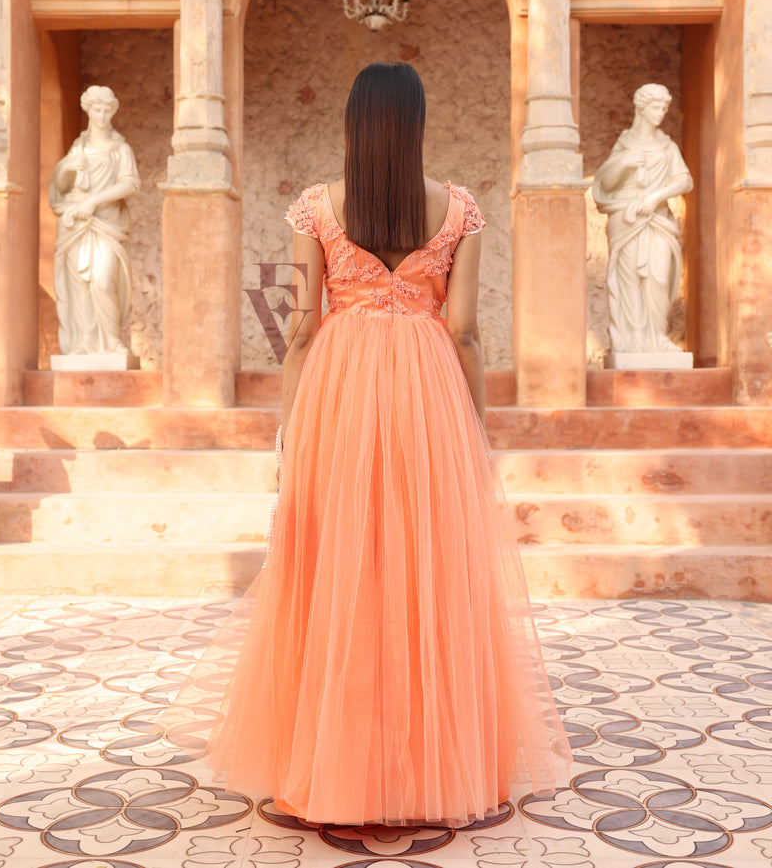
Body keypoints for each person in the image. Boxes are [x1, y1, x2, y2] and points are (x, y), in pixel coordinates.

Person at [172, 62, 570, 828]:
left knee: (338, 568)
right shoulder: (456, 208)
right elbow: (465, 331)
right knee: (427, 574)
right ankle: (428, 765)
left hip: (341, 393)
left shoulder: (317, 207)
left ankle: (336, 764)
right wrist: (475, 430)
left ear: (355, 124)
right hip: (430, 397)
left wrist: (289, 431)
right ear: (415, 124)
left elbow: (298, 328)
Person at [593, 83, 693, 354]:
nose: (661, 113)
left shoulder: (666, 145)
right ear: (642, 108)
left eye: (664, 108)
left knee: (658, 278)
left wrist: (655, 197)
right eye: (656, 107)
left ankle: (657, 338)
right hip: (626, 219)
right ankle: (633, 339)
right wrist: (624, 163)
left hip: (658, 218)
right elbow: (607, 184)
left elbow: (684, 180)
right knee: (630, 281)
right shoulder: (625, 144)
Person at [50, 85, 139, 355]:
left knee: (102, 280)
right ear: (88, 110)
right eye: (96, 109)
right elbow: (61, 187)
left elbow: (130, 183)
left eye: (106, 110)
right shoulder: (79, 148)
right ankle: (85, 342)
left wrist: (93, 202)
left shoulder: (120, 149)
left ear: (112, 111)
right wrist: (65, 168)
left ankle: (112, 340)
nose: (101, 115)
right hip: (75, 224)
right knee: (79, 284)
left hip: (105, 223)